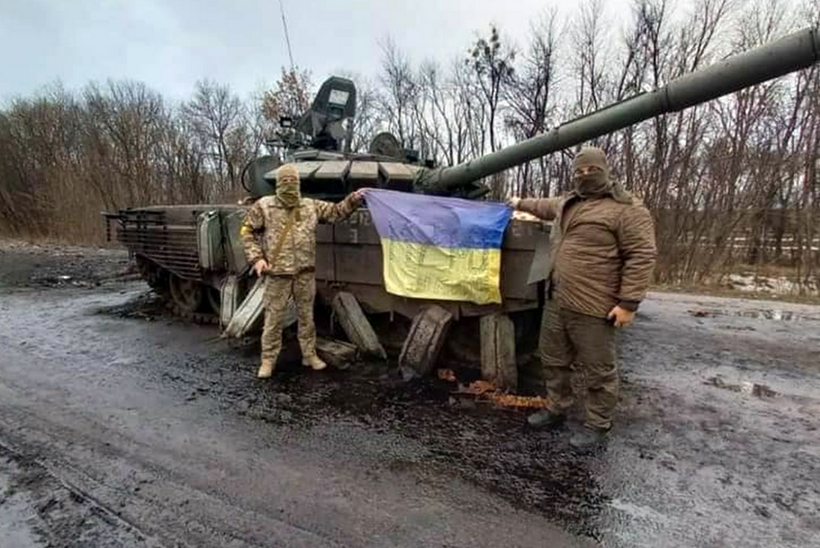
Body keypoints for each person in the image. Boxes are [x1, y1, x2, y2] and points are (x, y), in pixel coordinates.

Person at [508, 146, 657, 448]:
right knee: (552, 359)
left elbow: (642, 255)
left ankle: (598, 423)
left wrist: (628, 303)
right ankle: (556, 407)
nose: (585, 175)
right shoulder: (568, 203)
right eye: (579, 171)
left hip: (594, 304)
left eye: (591, 170)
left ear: (604, 170)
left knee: (598, 369)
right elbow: (544, 205)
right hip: (557, 298)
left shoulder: (627, 209)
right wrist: (518, 202)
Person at [241, 163, 366, 378]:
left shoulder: (310, 206)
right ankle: (268, 360)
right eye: (285, 182)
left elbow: (336, 212)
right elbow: (247, 231)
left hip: (304, 273)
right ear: (278, 184)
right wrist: (257, 259)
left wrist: (353, 199)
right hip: (277, 274)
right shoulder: (264, 206)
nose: (289, 185)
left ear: (298, 184)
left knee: (307, 317)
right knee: (273, 320)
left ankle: (309, 355)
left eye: (293, 181)